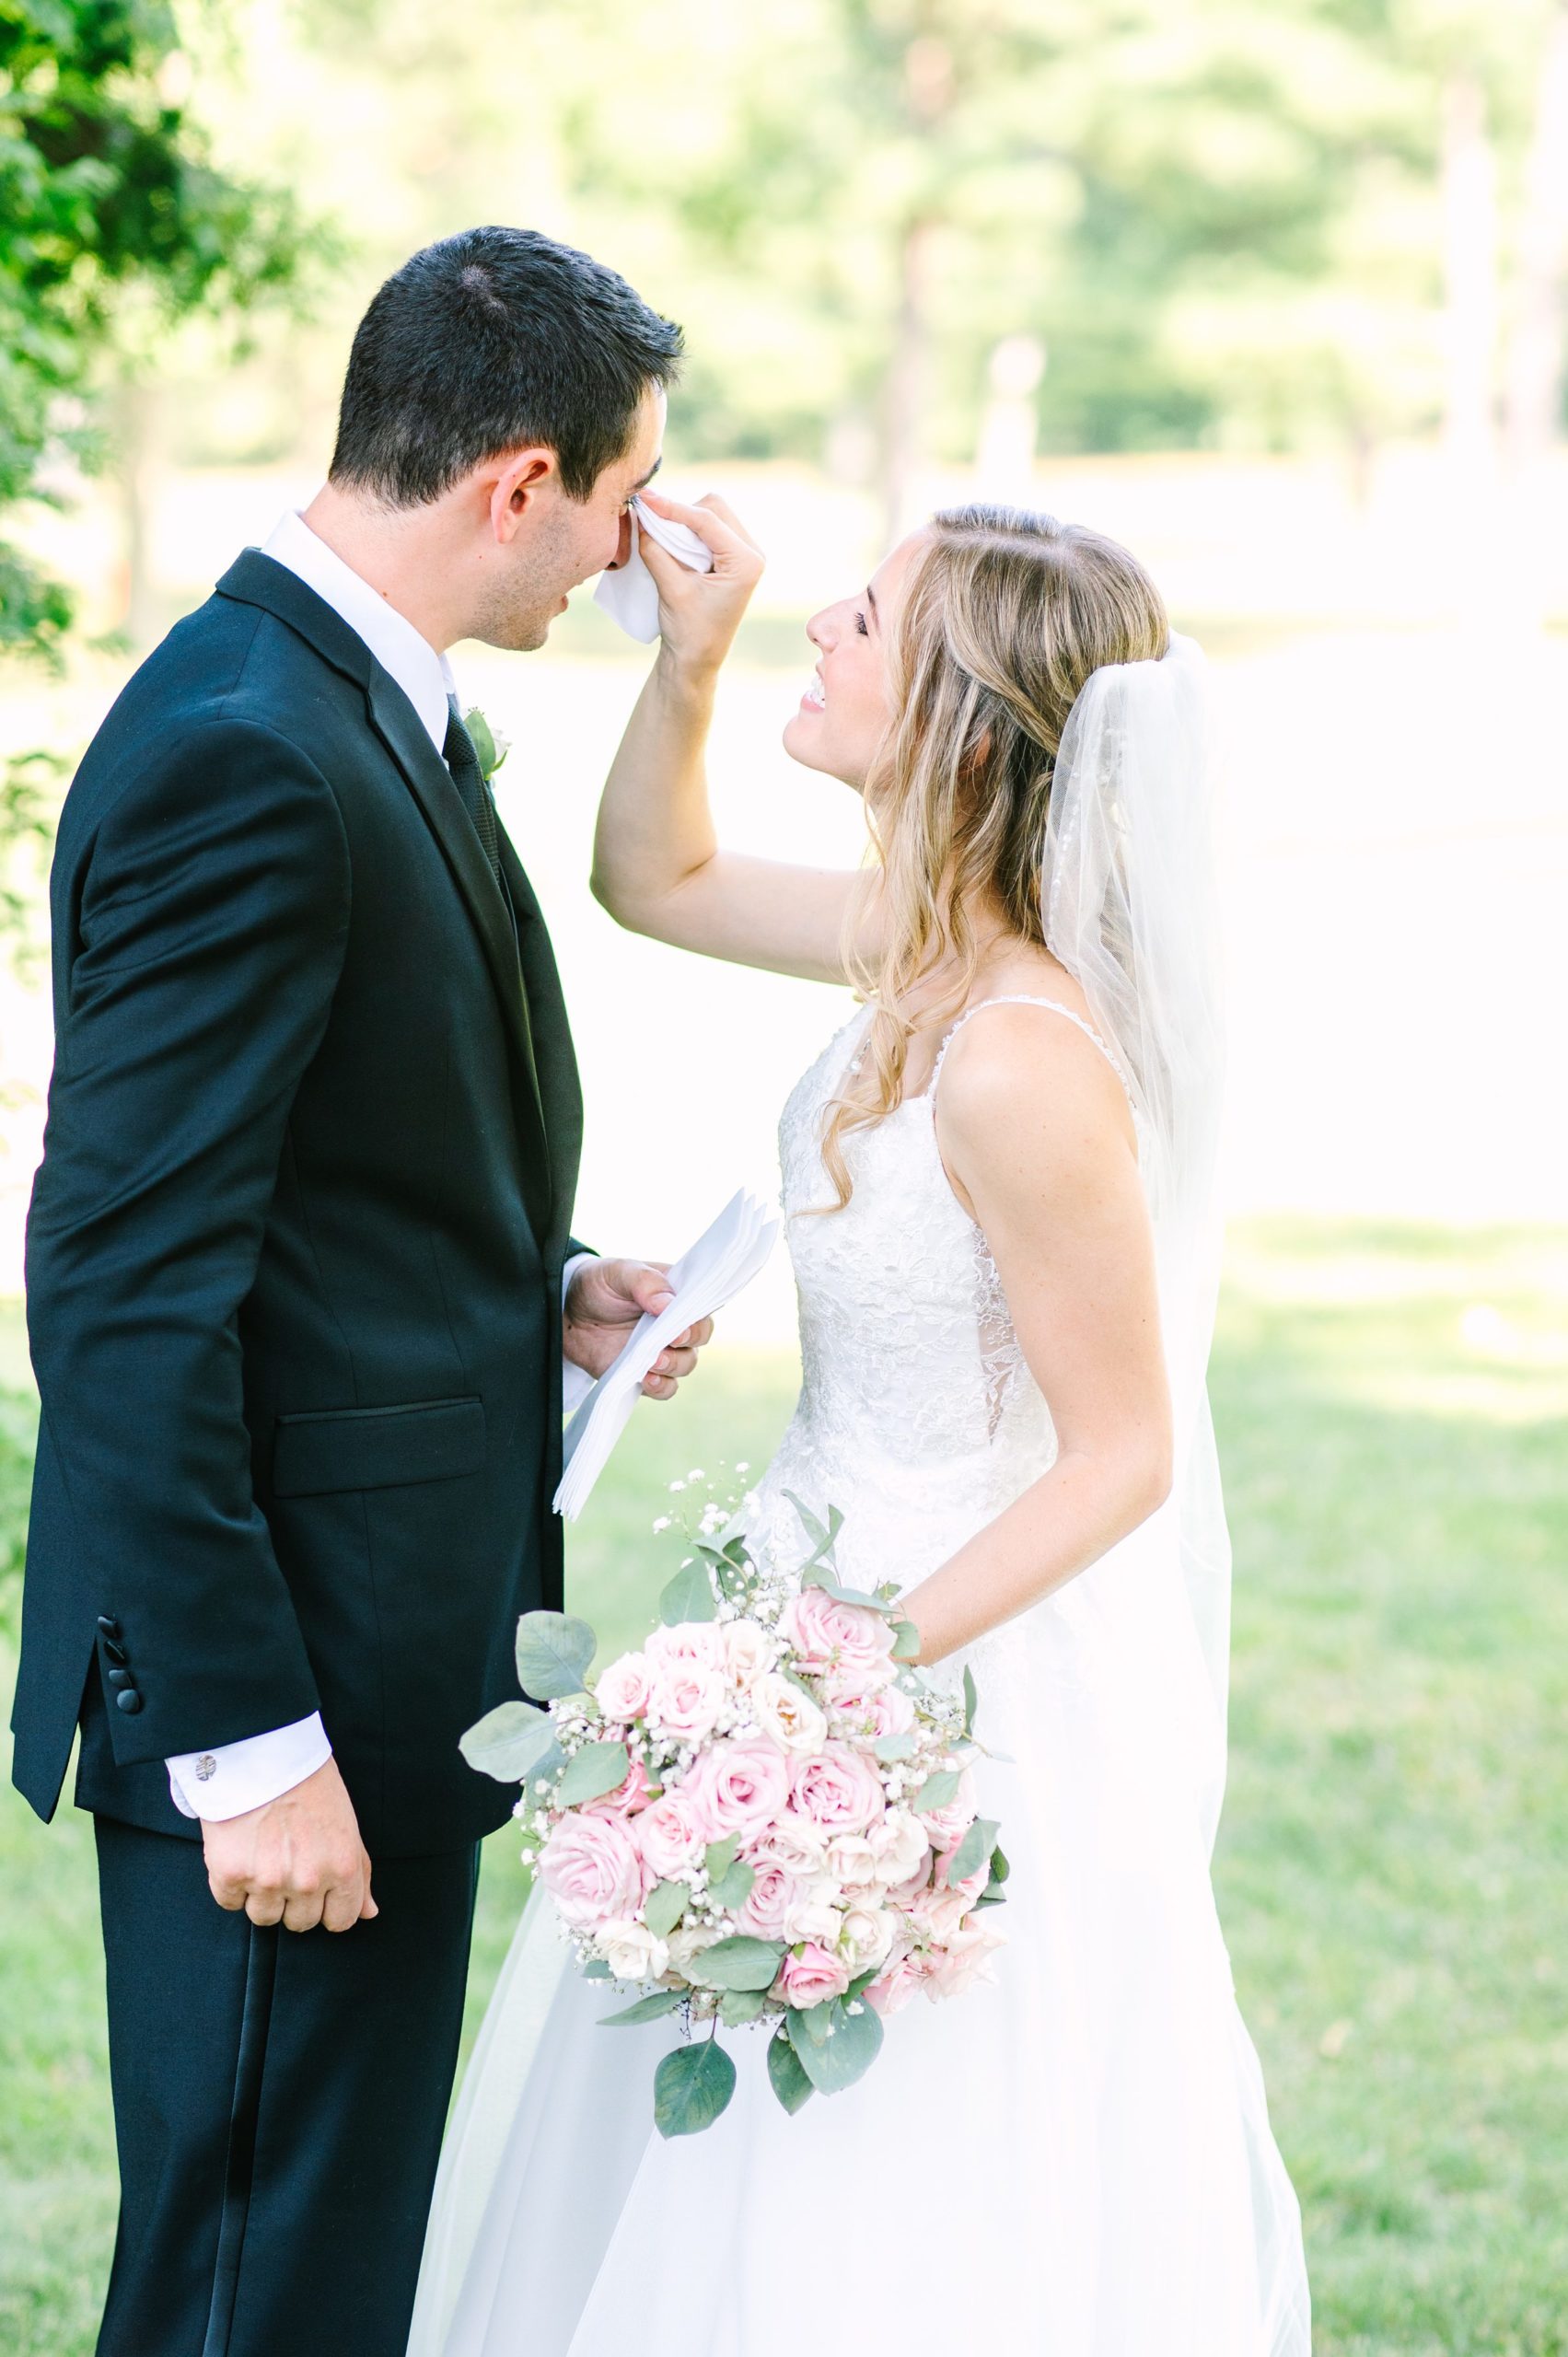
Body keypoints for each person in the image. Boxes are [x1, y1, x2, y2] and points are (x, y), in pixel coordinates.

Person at [408, 493, 1312, 2353]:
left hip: (934, 1683)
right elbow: (651, 876)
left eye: (869, 617)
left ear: (967, 721)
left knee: (887, 2195)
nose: (827, 618)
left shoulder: (1018, 1050)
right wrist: (695, 657)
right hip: (799, 1613)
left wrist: (837, 1681)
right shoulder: (915, 954)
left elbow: (1122, 1451)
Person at [9, 226, 715, 2357]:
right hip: (283, 1700)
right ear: (516, 480)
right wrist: (245, 1743)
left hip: (387, 1678)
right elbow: (123, 1292)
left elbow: (327, 1176)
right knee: (254, 2288)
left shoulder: (370, 706)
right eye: (619, 500)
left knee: (319, 2278)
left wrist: (547, 1285)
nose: (627, 551)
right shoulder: (253, 746)